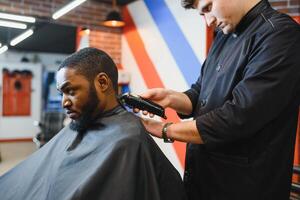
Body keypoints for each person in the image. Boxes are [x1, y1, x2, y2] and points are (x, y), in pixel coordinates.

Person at [138, 0, 300, 199]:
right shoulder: (224, 36)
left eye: (208, 8)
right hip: (204, 181)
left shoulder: (280, 34)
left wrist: (165, 129)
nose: (208, 21)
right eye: (202, 14)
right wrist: (170, 97)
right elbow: (201, 93)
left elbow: (238, 117)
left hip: (245, 187)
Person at [0, 47, 187, 200]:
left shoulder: (126, 141)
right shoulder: (82, 124)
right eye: (62, 93)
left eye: (71, 91)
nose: (64, 102)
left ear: (103, 82)